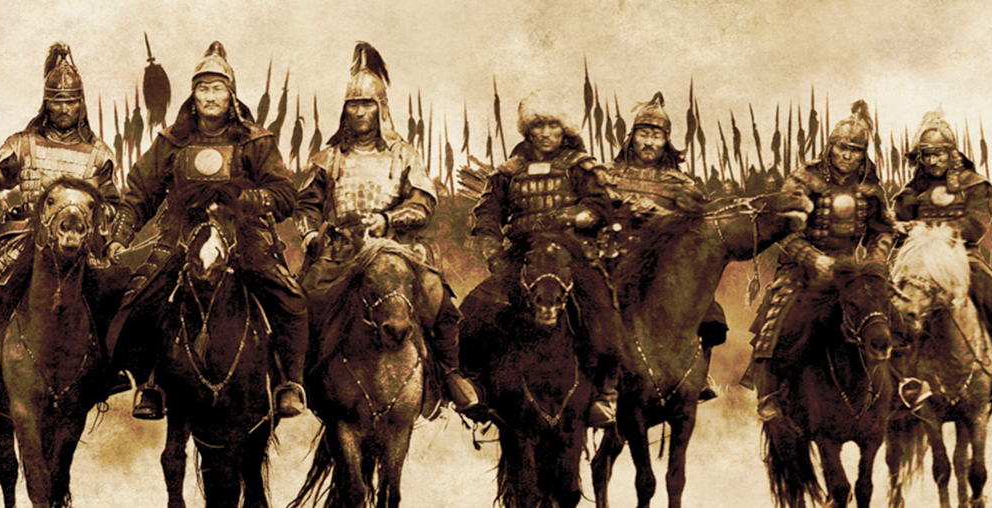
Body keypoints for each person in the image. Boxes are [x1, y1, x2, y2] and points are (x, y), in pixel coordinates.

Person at [106, 41, 308, 420]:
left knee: (288, 297)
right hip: (181, 236)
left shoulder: (256, 140)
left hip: (245, 236)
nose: (210, 96)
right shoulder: (172, 141)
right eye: (203, 88)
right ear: (193, 95)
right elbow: (139, 192)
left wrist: (249, 200)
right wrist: (120, 236)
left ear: (231, 93)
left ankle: (288, 382)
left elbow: (284, 194)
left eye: (217, 88)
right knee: (143, 295)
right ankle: (150, 382)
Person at [295, 42, 479, 411]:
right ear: (344, 110)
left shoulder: (404, 154)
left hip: (396, 248)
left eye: (367, 104)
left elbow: (423, 204)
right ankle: (296, 380)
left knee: (439, 300)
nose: (360, 111)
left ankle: (450, 373)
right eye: (353, 104)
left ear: (381, 108)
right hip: (340, 251)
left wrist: (387, 220)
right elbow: (306, 205)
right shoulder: (328, 157)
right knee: (302, 301)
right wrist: (311, 234)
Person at [0, 42, 121, 390]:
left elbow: (112, 202)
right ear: (46, 102)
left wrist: (102, 225)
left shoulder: (98, 153)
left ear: (81, 103)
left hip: (78, 242)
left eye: (71, 101)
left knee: (110, 292)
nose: (64, 108)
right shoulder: (23, 144)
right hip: (23, 234)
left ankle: (107, 365)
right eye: (57, 101)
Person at [467, 90, 628, 427]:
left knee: (604, 311)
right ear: (527, 130)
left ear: (564, 129)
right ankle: (475, 387)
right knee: (474, 308)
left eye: (552, 125)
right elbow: (487, 215)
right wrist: (492, 251)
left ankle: (605, 394)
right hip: (522, 254)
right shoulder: (508, 171)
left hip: (572, 254)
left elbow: (602, 205)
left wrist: (574, 217)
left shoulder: (581, 166)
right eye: (538, 126)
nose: (545, 133)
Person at [743, 100, 894, 421]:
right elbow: (785, 230)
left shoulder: (870, 186)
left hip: (850, 270)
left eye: (855, 150)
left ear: (863, 153)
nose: (847, 156)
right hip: (801, 269)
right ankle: (771, 390)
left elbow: (882, 230)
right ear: (830, 146)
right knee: (781, 319)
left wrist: (875, 262)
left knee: (892, 315)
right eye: (842, 148)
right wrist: (815, 260)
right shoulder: (803, 179)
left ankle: (903, 385)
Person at [893, 109, 992, 398]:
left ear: (951, 153)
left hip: (961, 256)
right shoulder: (912, 190)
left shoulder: (974, 185)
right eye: (926, 155)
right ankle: (885, 372)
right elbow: (898, 221)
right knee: (882, 298)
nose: (932, 161)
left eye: (938, 154)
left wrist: (934, 233)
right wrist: (898, 227)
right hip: (917, 259)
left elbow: (975, 224)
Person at [604, 92, 728, 401]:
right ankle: (599, 380)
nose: (648, 142)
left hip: (662, 267)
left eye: (656, 136)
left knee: (707, 311)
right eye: (643, 134)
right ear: (631, 138)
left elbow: (699, 225)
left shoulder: (680, 184)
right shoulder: (605, 176)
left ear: (666, 142)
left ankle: (695, 374)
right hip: (610, 259)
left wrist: (660, 215)